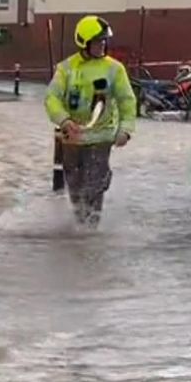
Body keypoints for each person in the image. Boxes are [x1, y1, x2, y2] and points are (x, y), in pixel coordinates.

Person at [44, 15, 136, 227]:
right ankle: (80, 226)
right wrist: (64, 121)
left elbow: (127, 101)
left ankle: (91, 230)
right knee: (75, 188)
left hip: (101, 137)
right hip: (72, 139)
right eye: (97, 42)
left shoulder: (115, 69)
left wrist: (126, 130)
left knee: (94, 185)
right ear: (84, 43)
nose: (101, 45)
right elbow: (51, 98)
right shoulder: (66, 68)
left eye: (104, 41)